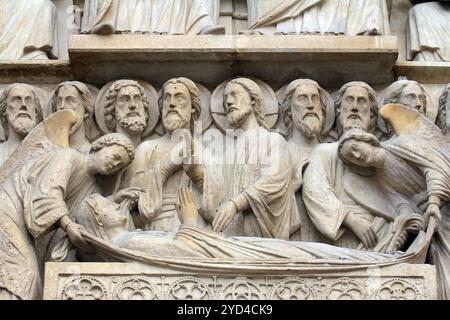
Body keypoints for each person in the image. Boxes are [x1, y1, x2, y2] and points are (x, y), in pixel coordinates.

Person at [0, 110, 135, 300]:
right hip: (9, 211)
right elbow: (47, 192)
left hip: (28, 225)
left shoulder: (92, 186)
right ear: (99, 146)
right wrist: (68, 225)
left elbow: (80, 211)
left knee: (33, 281)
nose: (115, 164)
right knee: (22, 274)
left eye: (120, 165)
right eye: (115, 156)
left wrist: (115, 200)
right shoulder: (68, 157)